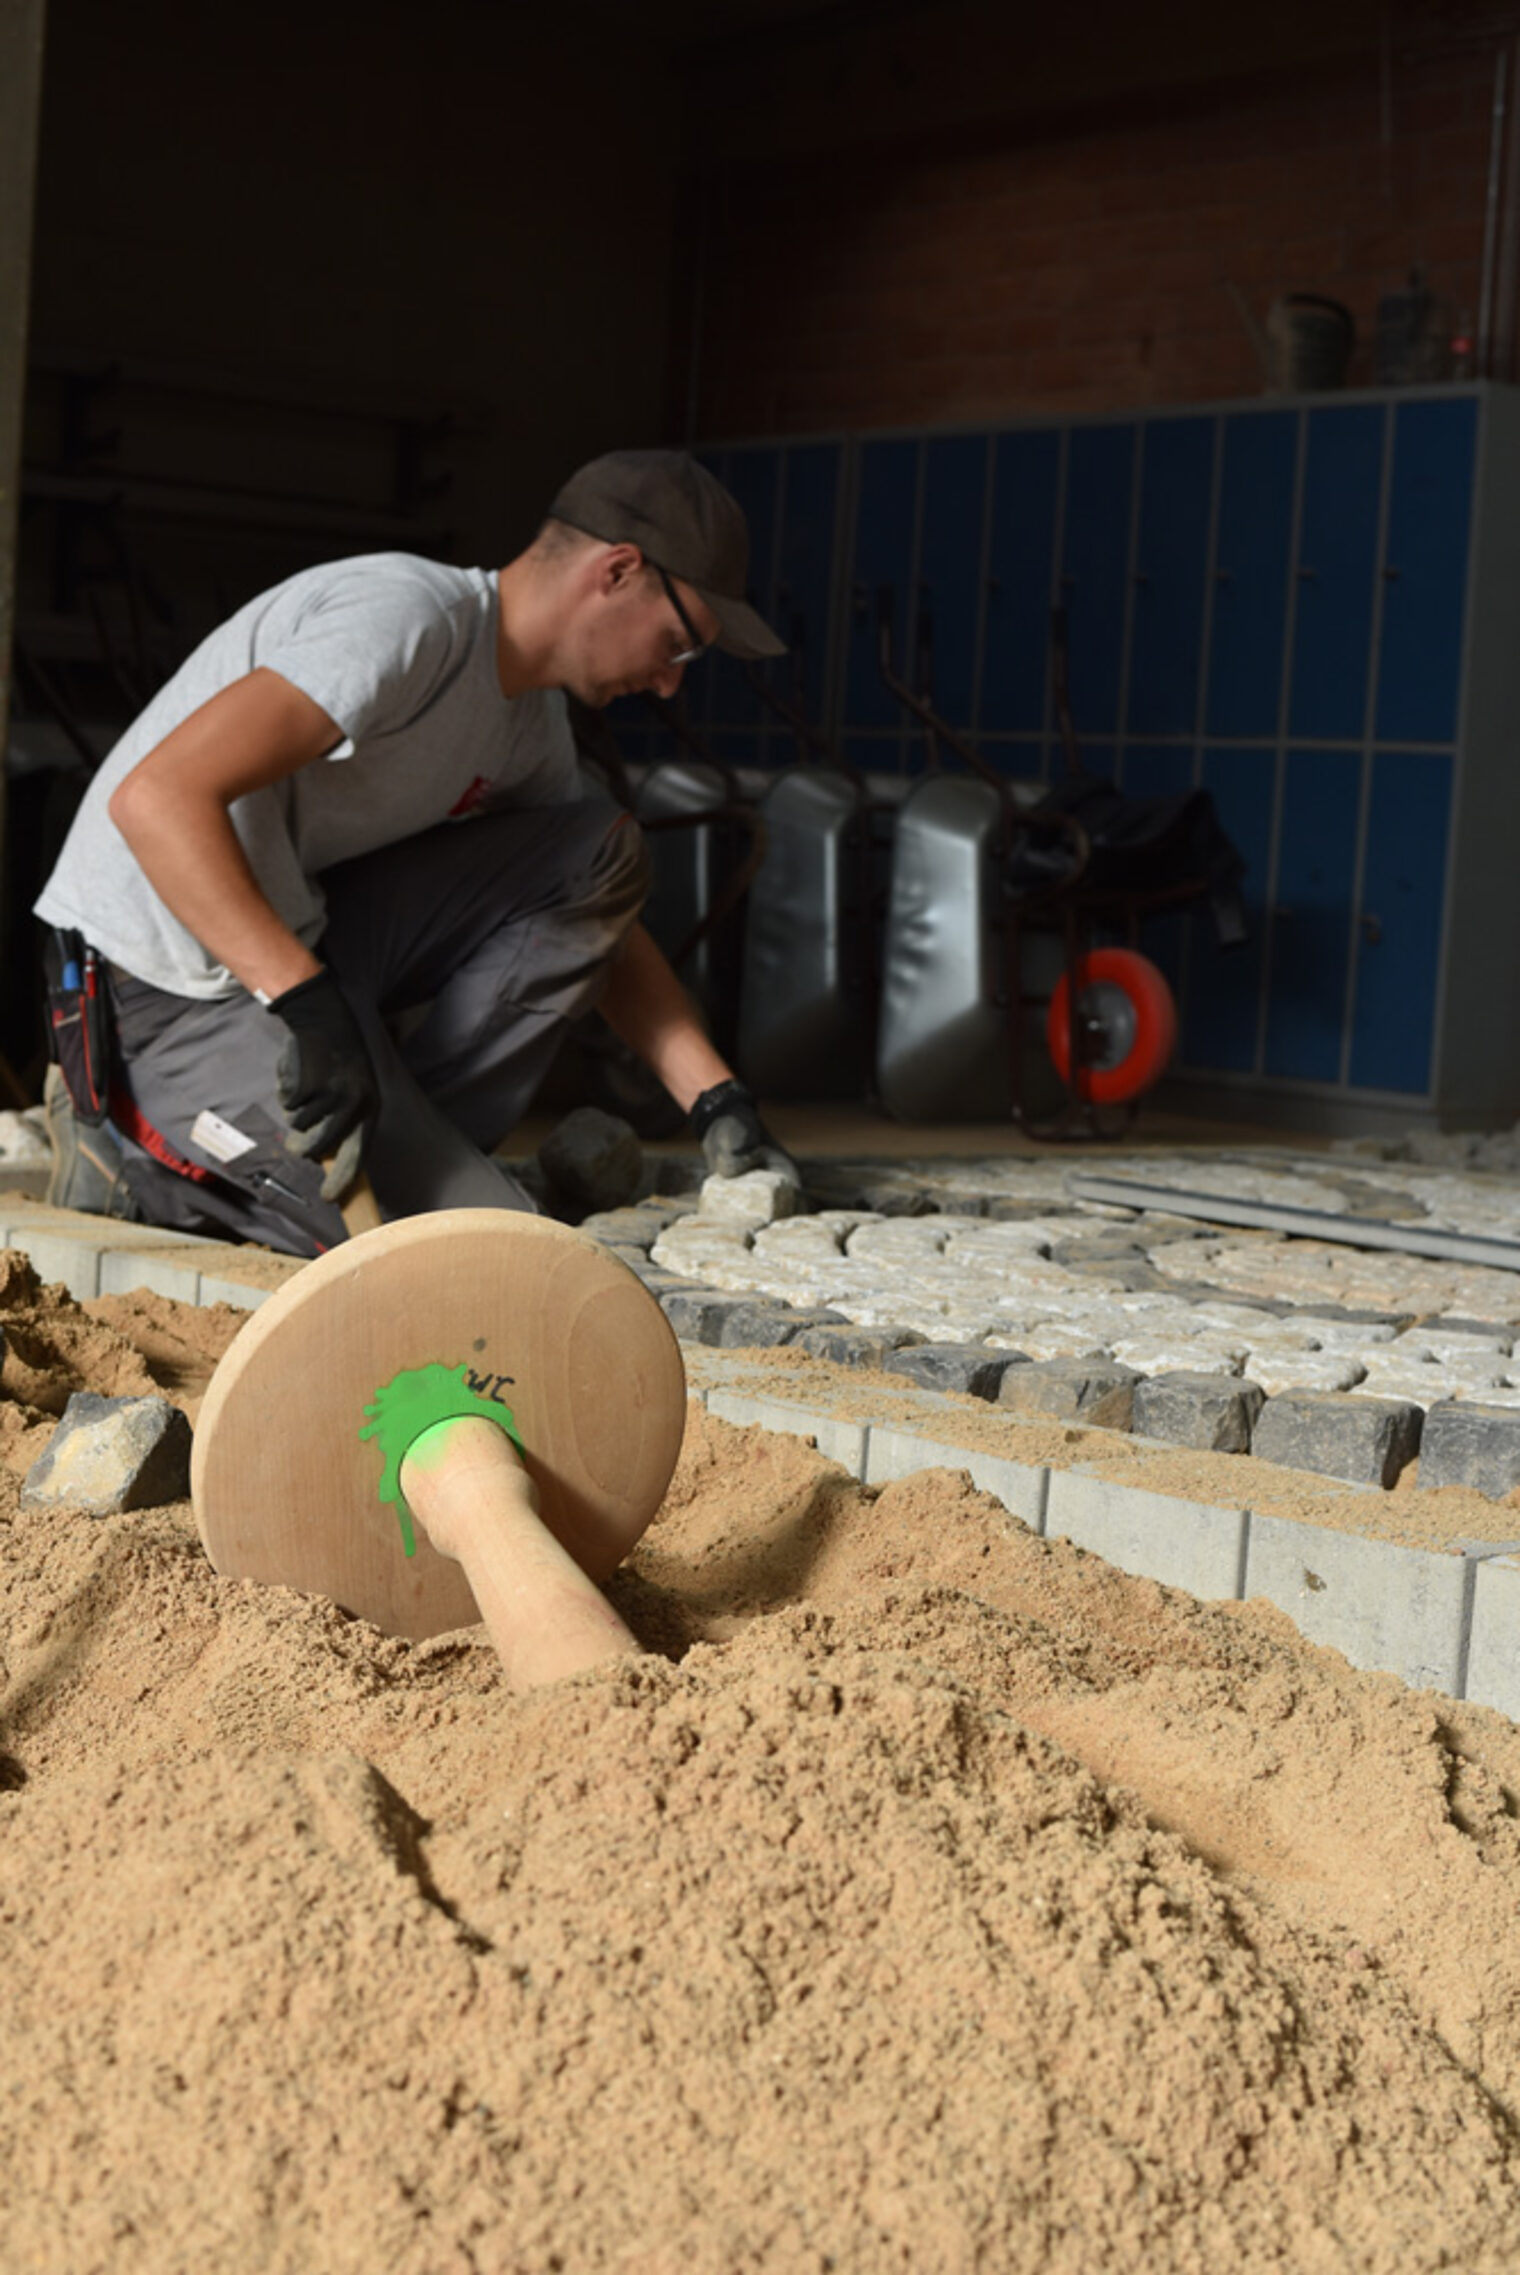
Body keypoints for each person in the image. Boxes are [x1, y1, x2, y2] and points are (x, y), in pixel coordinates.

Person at [34, 449, 799, 1254]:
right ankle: (129, 1149)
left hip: (303, 947)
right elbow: (155, 798)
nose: (671, 683)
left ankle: (397, 1132)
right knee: (458, 1246)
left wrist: (716, 1099)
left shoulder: (529, 729)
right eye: (676, 645)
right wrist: (305, 1003)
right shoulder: (405, 619)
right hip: (159, 984)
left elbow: (600, 916)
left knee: (602, 849)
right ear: (617, 571)